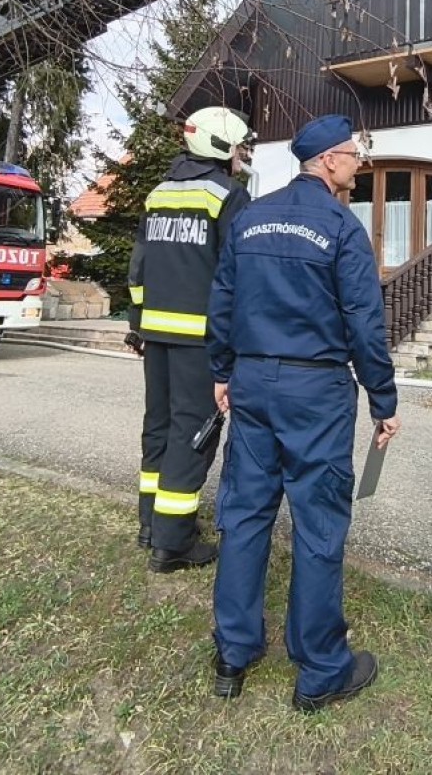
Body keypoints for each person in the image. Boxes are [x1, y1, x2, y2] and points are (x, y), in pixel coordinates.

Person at [206, 114, 400, 711]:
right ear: (329, 162)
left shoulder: (249, 218)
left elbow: (223, 297)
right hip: (315, 391)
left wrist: (222, 370)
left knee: (244, 515)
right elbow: (365, 323)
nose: (359, 166)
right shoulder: (341, 227)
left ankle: (233, 653)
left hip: (253, 382)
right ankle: (320, 669)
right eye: (354, 156)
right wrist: (383, 400)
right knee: (318, 525)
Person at [127, 105, 253, 573]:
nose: (243, 155)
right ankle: (174, 542)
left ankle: (149, 525)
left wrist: (138, 321)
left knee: (158, 426)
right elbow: (235, 274)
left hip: (154, 334)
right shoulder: (228, 195)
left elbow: (138, 267)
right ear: (221, 148)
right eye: (239, 146)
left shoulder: (158, 193)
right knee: (192, 434)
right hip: (200, 339)